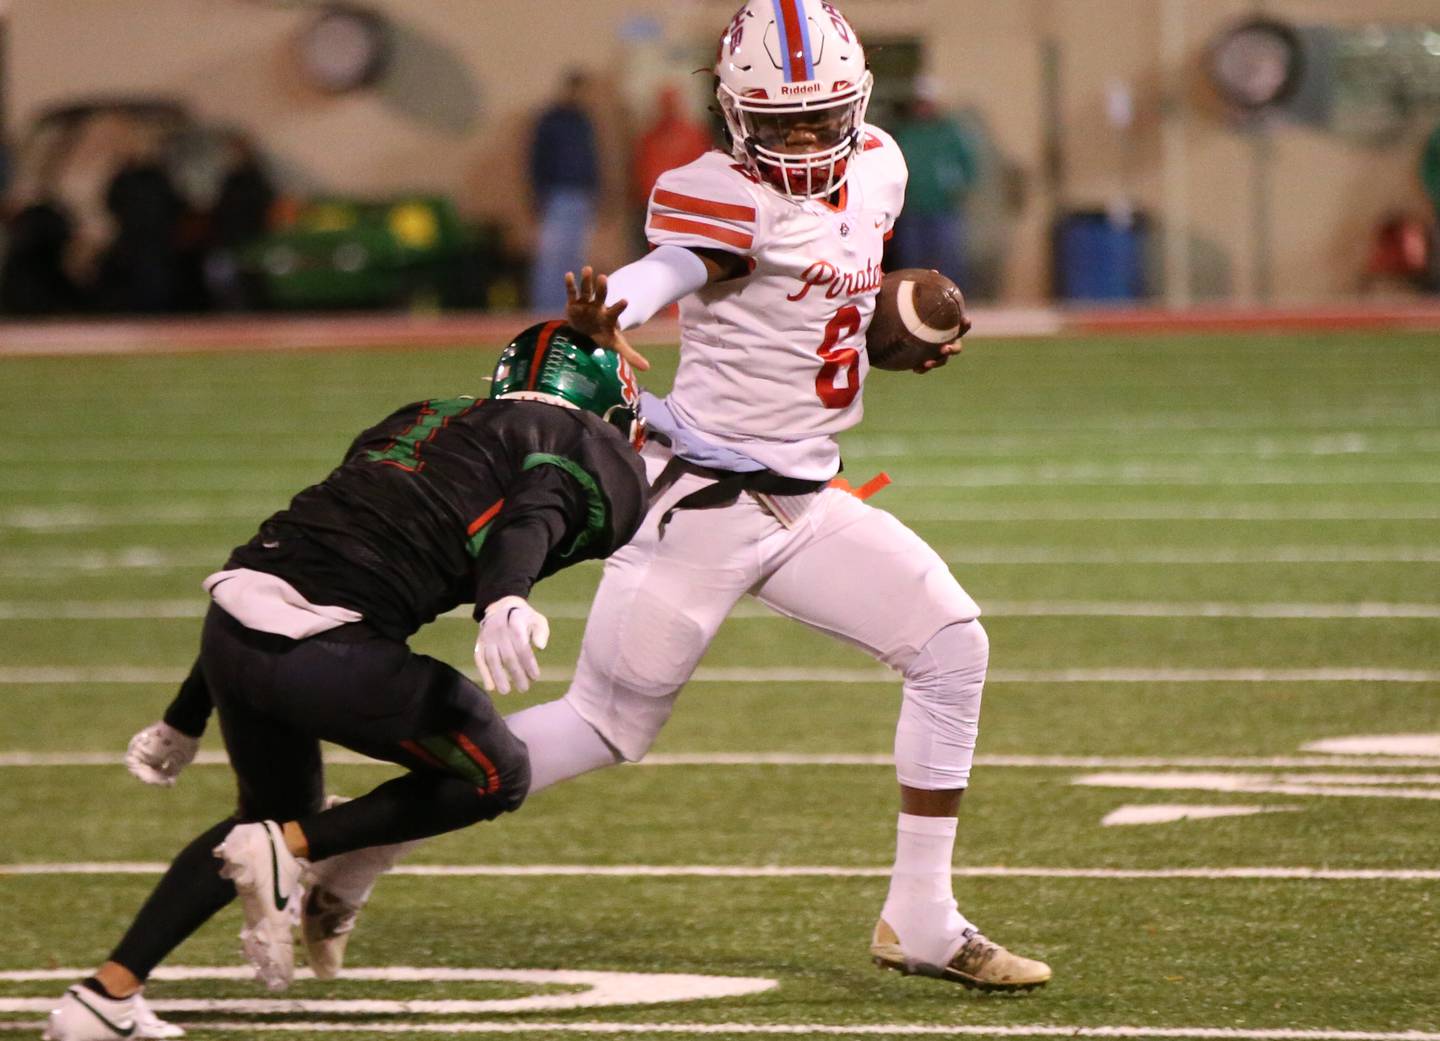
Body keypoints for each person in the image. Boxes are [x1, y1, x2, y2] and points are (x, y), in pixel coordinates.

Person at [130, 0, 1050, 997]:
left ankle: (920, 917)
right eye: (775, 122)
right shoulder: (721, 198)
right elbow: (671, 271)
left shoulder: (879, 164)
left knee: (952, 644)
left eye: (816, 118)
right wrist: (613, 307)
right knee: (609, 725)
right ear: (733, 115)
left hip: (808, 495)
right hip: (701, 502)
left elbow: (826, 292)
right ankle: (346, 846)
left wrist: (881, 330)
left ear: (856, 105)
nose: (798, 141)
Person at [45, 319, 649, 1041]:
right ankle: (294, 847)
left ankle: (103, 998)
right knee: (498, 772)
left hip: (232, 631)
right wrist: (506, 595)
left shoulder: (424, 419)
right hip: (322, 655)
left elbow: (294, 560)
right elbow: (540, 504)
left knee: (266, 815)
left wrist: (186, 715)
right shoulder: (579, 450)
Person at [889, 76, 980, 286]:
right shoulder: (905, 132)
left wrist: (958, 187)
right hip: (911, 207)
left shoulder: (950, 131)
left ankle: (950, 298)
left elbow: (968, 163)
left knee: (948, 258)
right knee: (912, 260)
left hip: (944, 208)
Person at [528, 70, 600, 314]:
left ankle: (569, 305)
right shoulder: (551, 120)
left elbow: (590, 158)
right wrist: (540, 194)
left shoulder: (583, 121)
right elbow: (538, 160)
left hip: (581, 194)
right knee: (551, 256)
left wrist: (595, 188)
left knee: (574, 256)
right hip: (557, 194)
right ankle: (545, 307)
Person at [629, 85, 712, 253]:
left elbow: (702, 172)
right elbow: (639, 170)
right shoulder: (649, 137)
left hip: (679, 208)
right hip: (650, 207)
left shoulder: (692, 135)